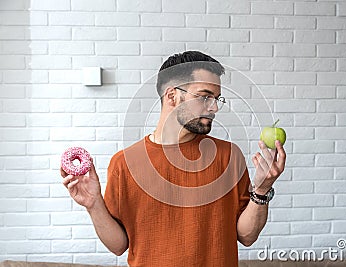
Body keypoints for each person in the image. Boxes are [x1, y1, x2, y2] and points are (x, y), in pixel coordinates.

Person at [61, 51, 286, 267]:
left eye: (217, 99)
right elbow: (118, 245)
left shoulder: (229, 156)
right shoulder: (124, 163)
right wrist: (93, 205)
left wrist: (263, 188)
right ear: (172, 96)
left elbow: (246, 236)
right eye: (205, 96)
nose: (214, 107)